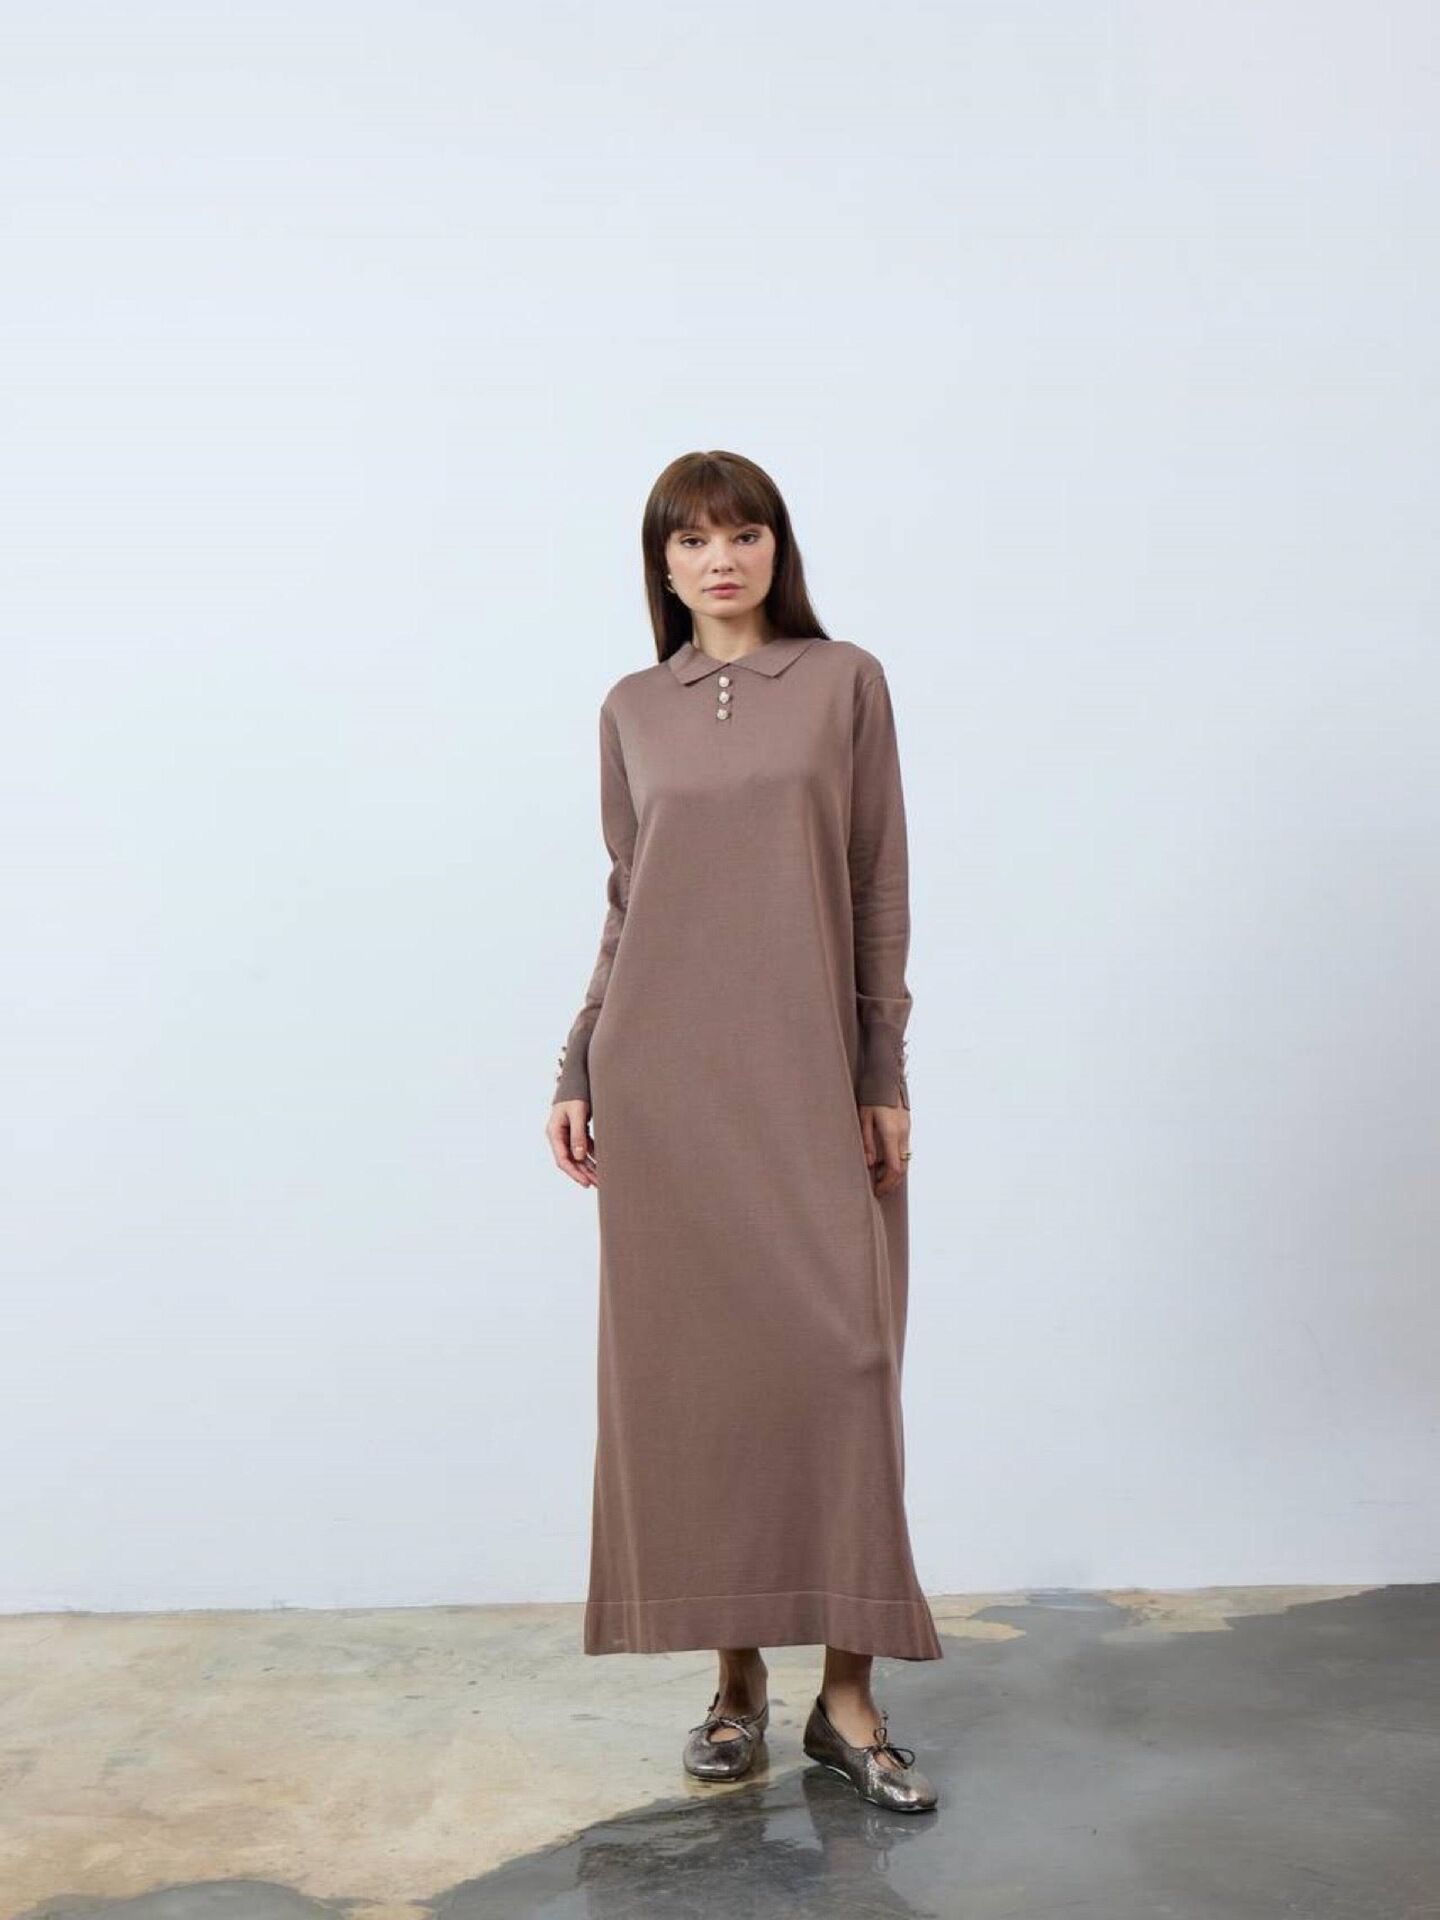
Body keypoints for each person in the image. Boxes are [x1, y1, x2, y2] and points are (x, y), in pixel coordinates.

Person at [544, 449, 942, 1814]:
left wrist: (881, 1069)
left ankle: (849, 1696)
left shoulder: (844, 683)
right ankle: (736, 1683)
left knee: (843, 1365)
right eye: (693, 539)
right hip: (666, 1088)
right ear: (661, 563)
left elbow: (878, 883)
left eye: (744, 533)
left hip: (809, 1076)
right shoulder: (630, 708)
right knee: (702, 1386)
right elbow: (628, 895)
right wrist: (579, 1057)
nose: (721, 559)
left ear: (778, 547)